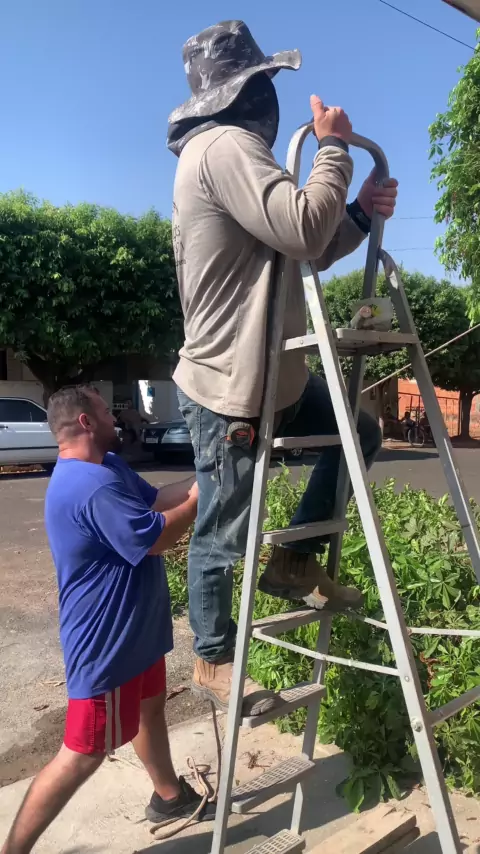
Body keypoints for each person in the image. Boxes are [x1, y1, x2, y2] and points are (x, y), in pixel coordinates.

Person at [167, 20, 398, 717]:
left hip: (277, 378)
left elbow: (308, 246)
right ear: (244, 91)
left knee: (358, 431)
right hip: (231, 387)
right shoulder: (223, 146)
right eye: (264, 83)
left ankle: (296, 560)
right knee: (225, 527)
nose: (270, 97)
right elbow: (301, 227)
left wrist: (356, 213)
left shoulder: (232, 155)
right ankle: (213, 656)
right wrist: (333, 151)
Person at [1, 385, 213, 854]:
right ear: (86, 422)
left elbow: (157, 499)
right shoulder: (87, 486)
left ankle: (169, 797)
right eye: (105, 411)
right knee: (83, 753)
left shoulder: (108, 467)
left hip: (136, 634)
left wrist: (205, 477)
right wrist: (201, 499)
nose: (116, 417)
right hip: (107, 644)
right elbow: (155, 538)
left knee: (149, 710)